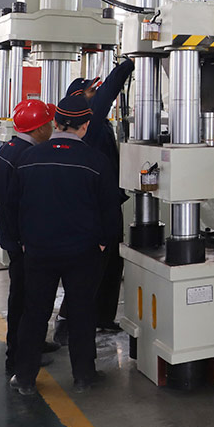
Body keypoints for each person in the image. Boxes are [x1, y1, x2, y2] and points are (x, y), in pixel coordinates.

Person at [7, 94, 121, 395]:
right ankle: (84, 376)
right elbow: (111, 210)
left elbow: (13, 205)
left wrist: (20, 242)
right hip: (82, 253)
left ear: (55, 123)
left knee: (34, 312)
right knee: (82, 312)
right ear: (85, 127)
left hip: (38, 251)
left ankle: (25, 378)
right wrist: (102, 243)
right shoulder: (96, 161)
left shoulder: (28, 158)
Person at [55, 56, 133, 344]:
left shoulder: (98, 124)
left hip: (110, 199)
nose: (95, 92)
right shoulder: (88, 120)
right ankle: (66, 323)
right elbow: (108, 93)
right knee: (90, 268)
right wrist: (128, 65)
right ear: (79, 98)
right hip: (94, 205)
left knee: (112, 263)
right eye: (90, 90)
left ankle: (103, 317)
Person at [0, 100, 57, 374]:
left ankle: (32, 344)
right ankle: (18, 356)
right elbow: (22, 204)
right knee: (25, 298)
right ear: (39, 129)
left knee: (26, 296)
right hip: (24, 242)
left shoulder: (8, 149)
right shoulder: (26, 157)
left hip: (13, 237)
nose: (53, 127)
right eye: (49, 123)